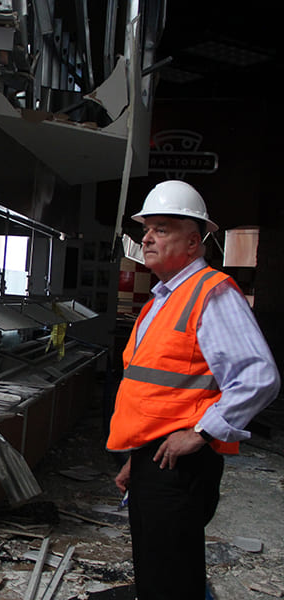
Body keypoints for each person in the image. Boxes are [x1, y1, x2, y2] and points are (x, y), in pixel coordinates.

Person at [106, 180, 280, 600]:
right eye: (147, 228)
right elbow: (158, 391)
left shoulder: (212, 293)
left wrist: (201, 432)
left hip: (180, 465)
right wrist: (138, 459)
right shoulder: (162, 298)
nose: (147, 237)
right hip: (156, 459)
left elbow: (259, 376)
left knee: (173, 578)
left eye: (161, 229)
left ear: (193, 241)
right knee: (155, 568)